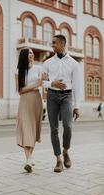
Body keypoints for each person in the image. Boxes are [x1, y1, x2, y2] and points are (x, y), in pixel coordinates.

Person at [42, 34, 81, 173]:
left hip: (67, 96)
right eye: (52, 43)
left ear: (62, 44)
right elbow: (42, 82)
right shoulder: (47, 63)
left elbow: (77, 86)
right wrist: (52, 83)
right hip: (51, 96)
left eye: (54, 43)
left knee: (68, 126)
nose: (52, 45)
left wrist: (77, 106)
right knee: (54, 129)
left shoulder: (73, 63)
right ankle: (58, 159)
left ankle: (65, 151)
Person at [15, 48, 43, 173]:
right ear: (24, 56)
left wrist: (37, 84)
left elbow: (42, 82)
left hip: (36, 100)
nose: (31, 55)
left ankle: (29, 160)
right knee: (27, 129)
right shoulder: (18, 71)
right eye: (29, 53)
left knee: (34, 129)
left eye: (32, 53)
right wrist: (36, 84)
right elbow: (20, 91)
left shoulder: (38, 68)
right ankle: (29, 159)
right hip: (25, 101)